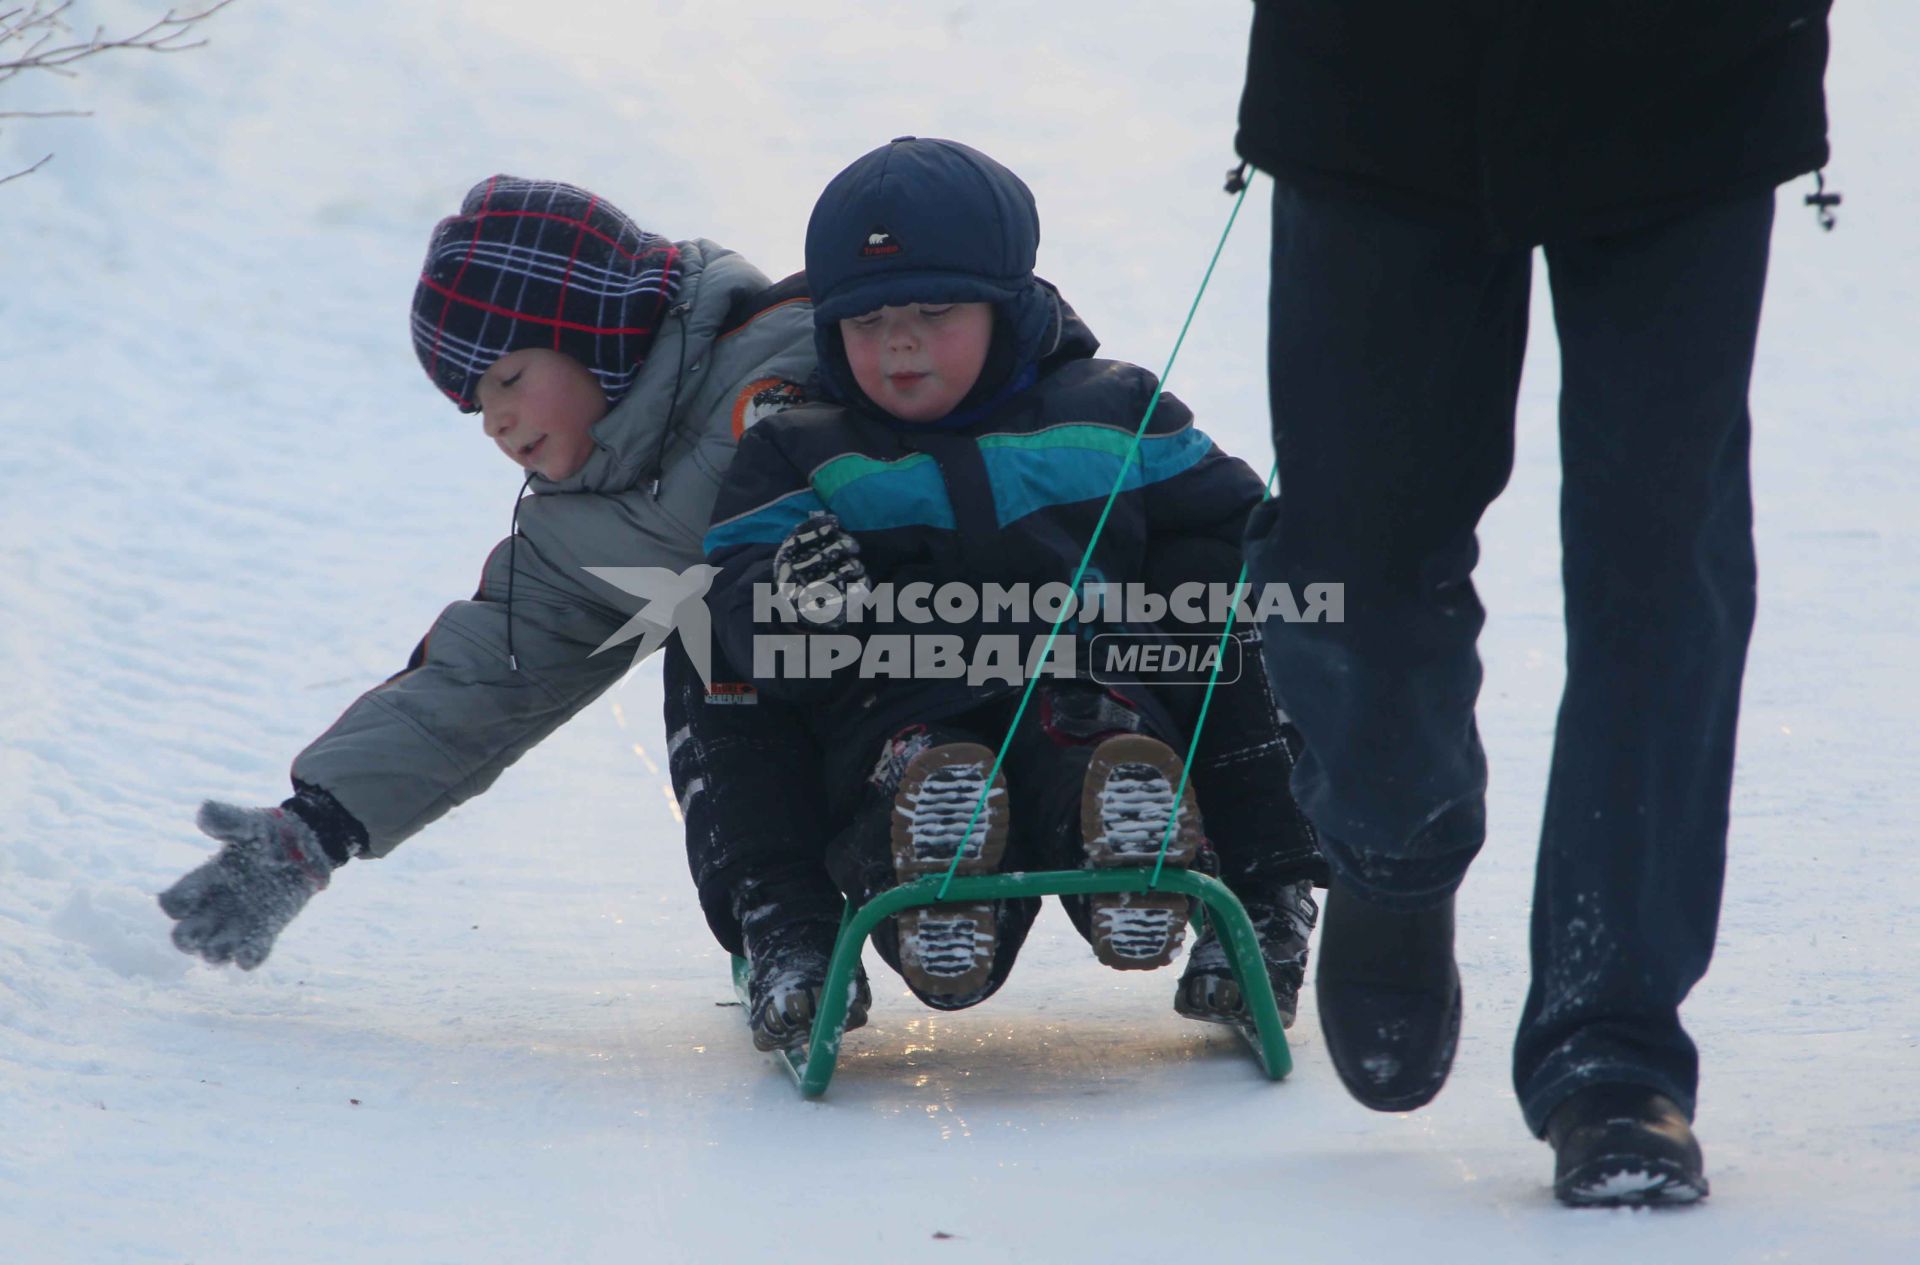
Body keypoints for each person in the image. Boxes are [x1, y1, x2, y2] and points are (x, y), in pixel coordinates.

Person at [1232, 3, 1832, 1205]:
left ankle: (1613, 1041)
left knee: (1662, 571)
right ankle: (1391, 841)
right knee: (1358, 551)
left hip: (1694, 80)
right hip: (1372, 74)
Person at [155, 175, 869, 1052]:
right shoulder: (582, 530)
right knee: (705, 635)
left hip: (947, 651)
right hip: (788, 731)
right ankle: (782, 915)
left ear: (595, 330)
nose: (494, 420)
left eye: (507, 378)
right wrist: (314, 830)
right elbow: (484, 672)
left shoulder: (788, 348)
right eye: (474, 404)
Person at [702, 137, 1323, 1024]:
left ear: (1008, 303)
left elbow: (1244, 531)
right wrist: (797, 599)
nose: (899, 343)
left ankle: (1192, 871)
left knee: (1214, 604)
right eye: (867, 322)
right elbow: (748, 602)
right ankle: (891, 904)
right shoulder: (800, 450)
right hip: (896, 721)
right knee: (714, 641)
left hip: (1093, 694)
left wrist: (1302, 565)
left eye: (934, 309)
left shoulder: (1109, 411)